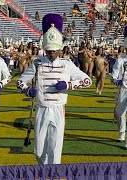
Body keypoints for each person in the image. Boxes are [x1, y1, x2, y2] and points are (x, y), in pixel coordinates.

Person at [16, 13, 92, 164]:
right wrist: (27, 90)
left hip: (58, 109)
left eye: (54, 50)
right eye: (49, 50)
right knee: (39, 150)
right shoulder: (37, 63)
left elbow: (87, 81)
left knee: (56, 149)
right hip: (42, 109)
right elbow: (20, 82)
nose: (52, 53)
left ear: (60, 49)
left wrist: (69, 85)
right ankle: (43, 169)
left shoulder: (67, 65)